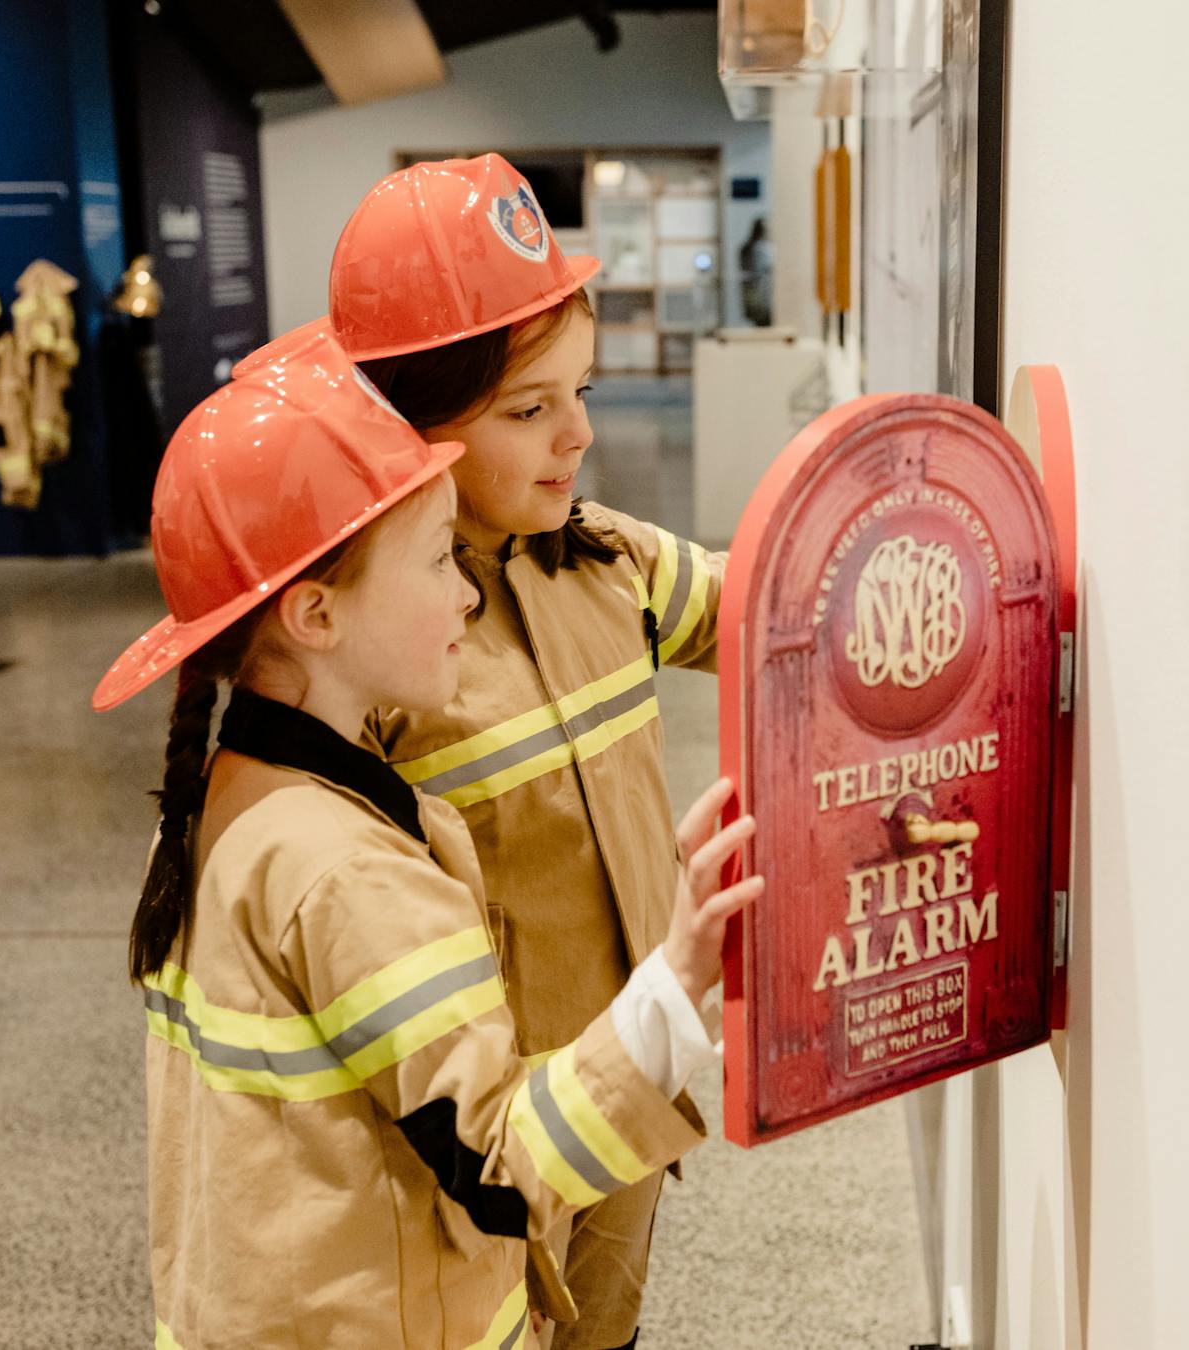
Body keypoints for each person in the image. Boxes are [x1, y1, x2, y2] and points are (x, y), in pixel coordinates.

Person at [91, 325, 762, 1350]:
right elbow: (500, 1164)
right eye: (438, 558)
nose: (464, 592)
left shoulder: (225, 811)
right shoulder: (352, 873)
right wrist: (679, 975)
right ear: (315, 614)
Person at [320, 154, 729, 1350]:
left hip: (633, 1077)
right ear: (415, 426)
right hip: (474, 1142)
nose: (580, 436)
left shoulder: (611, 565)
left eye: (581, 392)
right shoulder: (386, 650)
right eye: (529, 409)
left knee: (607, 1331)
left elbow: (777, 607)